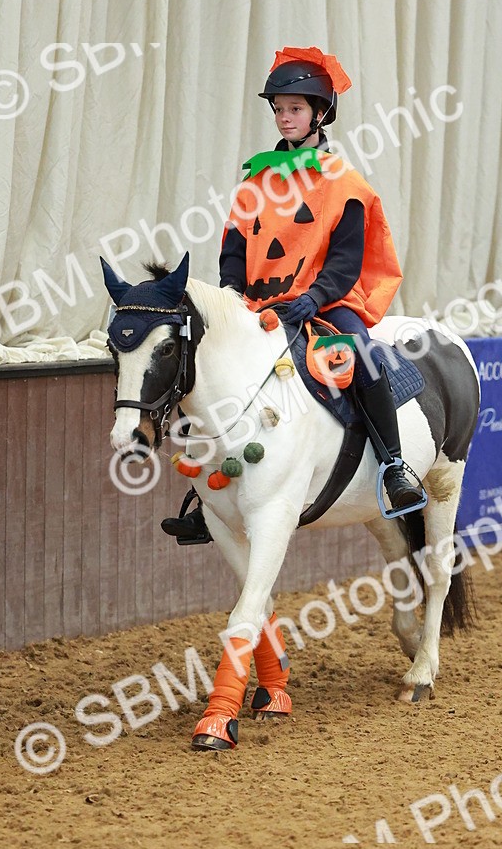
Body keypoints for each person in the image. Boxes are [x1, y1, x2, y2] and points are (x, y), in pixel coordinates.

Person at [161, 46, 425, 544]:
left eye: (295, 109)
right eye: (279, 109)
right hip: (259, 306)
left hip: (325, 305)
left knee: (363, 357)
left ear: (320, 114)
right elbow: (234, 249)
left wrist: (316, 296)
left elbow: (347, 261)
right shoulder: (255, 181)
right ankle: (210, 497)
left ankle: (394, 467)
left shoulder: (346, 185)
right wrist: (233, 292)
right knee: (214, 372)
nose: (285, 118)